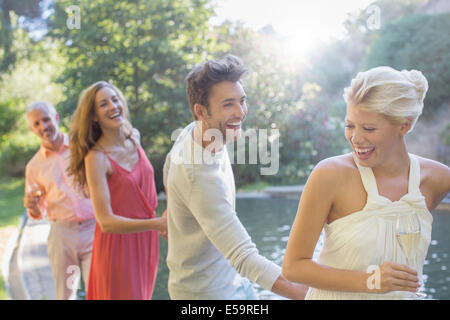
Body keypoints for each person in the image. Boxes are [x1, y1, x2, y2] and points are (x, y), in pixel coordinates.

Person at [282, 66, 450, 299]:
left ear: (405, 125)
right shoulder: (330, 175)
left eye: (369, 128)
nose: (356, 138)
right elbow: (293, 267)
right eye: (350, 125)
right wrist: (371, 281)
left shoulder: (438, 179)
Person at [163, 55, 308, 300]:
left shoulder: (194, 131)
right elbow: (245, 257)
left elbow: (168, 165)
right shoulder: (198, 176)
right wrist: (317, 296)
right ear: (201, 111)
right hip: (207, 295)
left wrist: (173, 209)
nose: (240, 112)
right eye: (228, 104)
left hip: (236, 283)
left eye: (242, 101)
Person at [67, 81, 167, 300]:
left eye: (115, 99)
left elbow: (149, 185)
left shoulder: (135, 137)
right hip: (118, 247)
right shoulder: (96, 158)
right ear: (94, 116)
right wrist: (157, 224)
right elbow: (106, 222)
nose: (113, 106)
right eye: (103, 104)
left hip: (145, 240)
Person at [24, 101, 96, 300]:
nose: (43, 126)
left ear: (56, 118)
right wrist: (34, 206)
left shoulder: (81, 147)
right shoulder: (34, 166)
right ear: (32, 129)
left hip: (93, 230)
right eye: (36, 124)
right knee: (66, 294)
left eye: (46, 119)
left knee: (98, 290)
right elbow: (36, 213)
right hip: (62, 235)